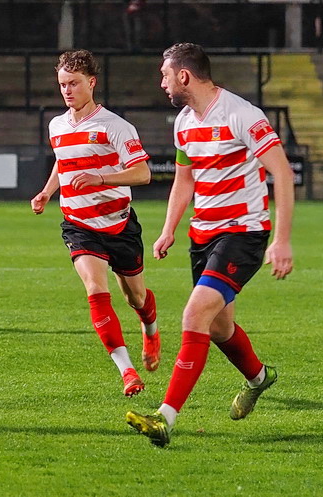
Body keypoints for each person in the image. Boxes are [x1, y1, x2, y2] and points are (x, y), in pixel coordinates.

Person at [126, 43, 294, 447]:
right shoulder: (183, 122)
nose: (162, 82)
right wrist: (169, 229)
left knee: (195, 314)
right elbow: (185, 178)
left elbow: (283, 174)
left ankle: (165, 417)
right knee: (219, 326)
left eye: (165, 75)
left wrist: (282, 240)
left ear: (184, 75)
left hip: (243, 232)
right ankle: (258, 377)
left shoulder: (242, 115)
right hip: (203, 235)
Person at [30, 50, 161, 398]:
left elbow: (143, 173)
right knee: (95, 289)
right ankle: (128, 371)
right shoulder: (56, 125)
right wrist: (46, 192)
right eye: (62, 84)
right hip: (78, 224)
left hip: (119, 224)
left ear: (92, 82)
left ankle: (150, 329)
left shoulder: (115, 126)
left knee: (135, 296)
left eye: (73, 83)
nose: (67, 91)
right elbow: (63, 162)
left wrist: (101, 178)